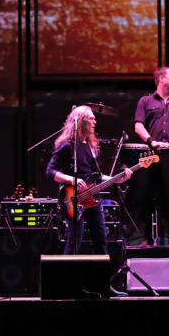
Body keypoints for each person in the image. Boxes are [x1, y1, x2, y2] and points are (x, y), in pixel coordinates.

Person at [47, 105, 125, 255]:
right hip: (73, 198)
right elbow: (50, 171)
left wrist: (117, 179)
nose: (95, 121)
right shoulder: (66, 146)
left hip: (93, 198)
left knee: (101, 241)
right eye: (91, 118)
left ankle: (100, 276)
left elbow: (97, 175)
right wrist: (71, 179)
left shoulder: (90, 147)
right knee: (74, 241)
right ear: (81, 121)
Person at [130, 67, 169, 245]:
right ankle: (145, 239)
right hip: (151, 154)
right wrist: (151, 141)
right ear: (161, 79)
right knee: (147, 195)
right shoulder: (145, 101)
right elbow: (138, 126)